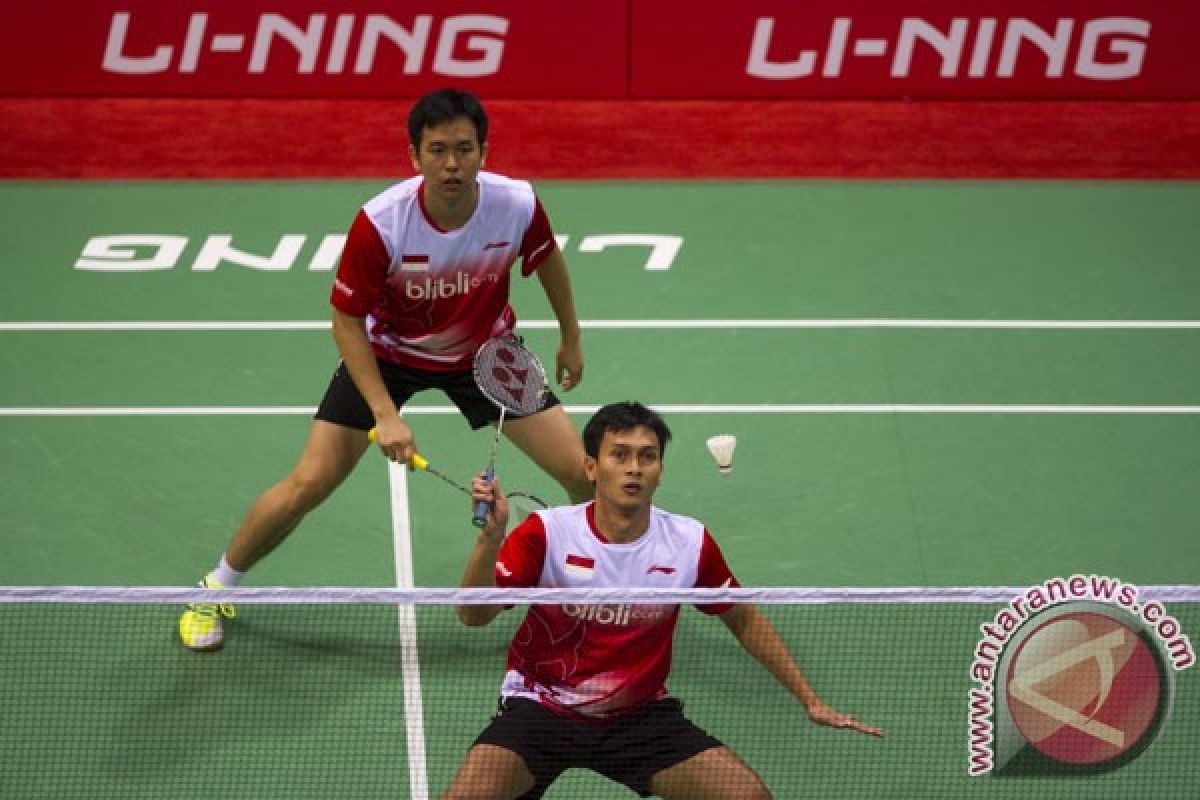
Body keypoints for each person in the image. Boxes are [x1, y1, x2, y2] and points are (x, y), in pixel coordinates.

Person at [179, 88, 592, 651]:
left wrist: (571, 337)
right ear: (414, 156)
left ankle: (602, 582)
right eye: (438, 150)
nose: (452, 164)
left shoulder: (515, 204)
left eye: (464, 150)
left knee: (580, 470)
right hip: (388, 355)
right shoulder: (383, 222)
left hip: (484, 355)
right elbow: (345, 320)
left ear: (484, 152)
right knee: (309, 483)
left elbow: (548, 262)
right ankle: (215, 587)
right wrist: (383, 414)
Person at [442, 402, 883, 800]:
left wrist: (809, 698)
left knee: (748, 796)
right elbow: (471, 614)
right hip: (542, 708)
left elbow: (743, 619)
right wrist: (490, 539)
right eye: (620, 455)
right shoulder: (547, 532)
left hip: (637, 716)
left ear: (660, 471)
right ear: (592, 467)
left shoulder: (687, 543)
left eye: (647, 457)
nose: (634, 468)